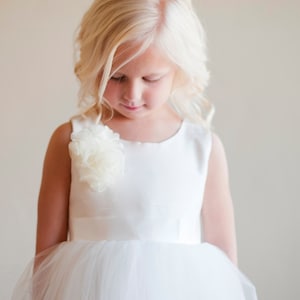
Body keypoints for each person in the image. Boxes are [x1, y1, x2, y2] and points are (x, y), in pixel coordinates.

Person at [12, 0, 258, 299]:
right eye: (116, 76)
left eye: (151, 79)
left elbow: (224, 256)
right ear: (95, 63)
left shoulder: (202, 148)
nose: (132, 93)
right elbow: (47, 255)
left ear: (179, 70)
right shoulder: (69, 139)